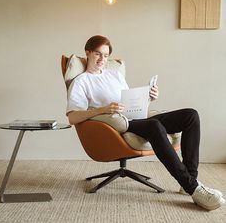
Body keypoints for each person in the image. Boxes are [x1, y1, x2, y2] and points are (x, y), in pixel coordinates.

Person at [66, 35, 225, 211]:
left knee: (191, 116)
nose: (102, 59)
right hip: (118, 126)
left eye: (106, 55)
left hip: (135, 118)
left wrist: (148, 98)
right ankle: (193, 188)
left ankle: (190, 180)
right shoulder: (81, 81)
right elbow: (72, 117)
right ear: (87, 53)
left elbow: (129, 102)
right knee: (155, 126)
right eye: (98, 54)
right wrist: (102, 110)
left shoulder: (114, 75)